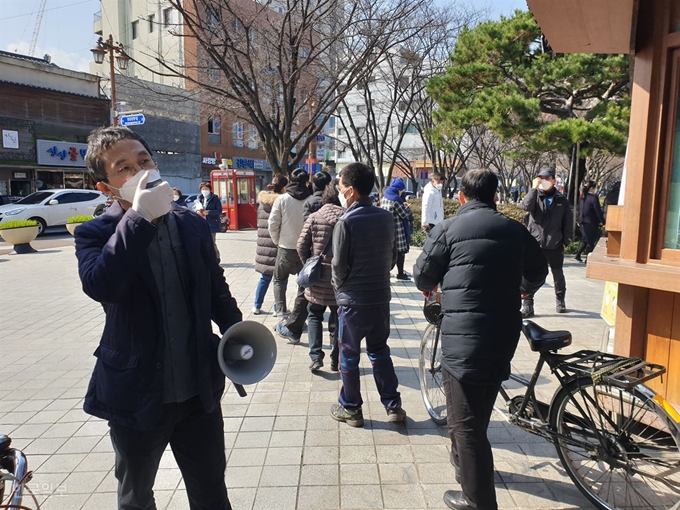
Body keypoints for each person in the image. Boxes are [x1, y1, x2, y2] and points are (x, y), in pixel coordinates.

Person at [74, 126, 242, 510]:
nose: (141, 172)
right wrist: (139, 220)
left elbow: (215, 285)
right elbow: (102, 286)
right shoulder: (94, 234)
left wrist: (237, 330)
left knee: (211, 491)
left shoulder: (192, 223)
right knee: (136, 498)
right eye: (125, 168)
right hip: (136, 394)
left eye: (144, 161)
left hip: (198, 389)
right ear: (106, 187)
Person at [414, 169, 548, 510]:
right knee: (477, 411)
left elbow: (422, 275)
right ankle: (465, 471)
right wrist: (522, 290)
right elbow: (538, 270)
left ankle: (478, 501)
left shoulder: (448, 229)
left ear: (461, 197)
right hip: (503, 333)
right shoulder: (514, 229)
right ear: (494, 196)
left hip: (463, 338)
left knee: (466, 427)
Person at [331, 162, 406, 427]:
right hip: (380, 298)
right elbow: (393, 257)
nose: (339, 191)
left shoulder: (346, 221)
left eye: (340, 187)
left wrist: (340, 287)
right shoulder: (385, 217)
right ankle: (393, 405)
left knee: (349, 355)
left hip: (353, 301)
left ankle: (351, 407)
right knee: (380, 351)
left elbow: (338, 266)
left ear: (350, 191)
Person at [297, 179, 344, 372]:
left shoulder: (314, 217)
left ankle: (316, 356)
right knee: (338, 316)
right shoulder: (346, 217)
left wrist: (309, 262)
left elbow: (301, 245)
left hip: (317, 277)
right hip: (339, 278)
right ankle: (336, 359)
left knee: (314, 314)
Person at [519, 168, 573, 316]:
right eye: (540, 178)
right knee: (529, 273)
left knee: (557, 273)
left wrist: (566, 241)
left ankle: (560, 299)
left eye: (546, 178)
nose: (543, 181)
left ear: (553, 181)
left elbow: (568, 222)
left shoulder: (561, 200)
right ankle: (528, 305)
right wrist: (533, 188)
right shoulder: (535, 196)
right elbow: (525, 206)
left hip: (555, 243)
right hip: (534, 242)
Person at [268, 168, 311, 339]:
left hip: (285, 247)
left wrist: (278, 241)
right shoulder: (311, 199)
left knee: (279, 280)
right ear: (306, 181)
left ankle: (281, 315)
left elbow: (273, 223)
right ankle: (299, 317)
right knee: (304, 284)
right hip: (305, 249)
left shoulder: (283, 199)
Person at [253, 174, 288, 315]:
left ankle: (256, 305)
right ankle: (277, 308)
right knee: (280, 280)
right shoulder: (282, 202)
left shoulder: (262, 202)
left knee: (265, 277)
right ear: (284, 187)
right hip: (277, 244)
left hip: (263, 245)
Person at [381, 178, 415, 280]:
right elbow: (404, 214)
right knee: (400, 252)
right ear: (397, 189)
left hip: (387, 229)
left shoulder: (385, 197)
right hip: (398, 230)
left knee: (389, 253)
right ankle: (400, 273)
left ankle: (385, 273)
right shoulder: (395, 200)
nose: (401, 193)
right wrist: (407, 207)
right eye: (401, 190)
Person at [574, 180, 605, 262]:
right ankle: (588, 259)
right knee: (590, 241)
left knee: (586, 239)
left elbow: (579, 209)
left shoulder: (582, 197)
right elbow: (598, 210)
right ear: (592, 188)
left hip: (582, 221)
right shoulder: (593, 197)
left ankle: (578, 255)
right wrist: (603, 221)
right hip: (591, 221)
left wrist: (578, 219)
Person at [197, 182, 222, 262]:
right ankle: (206, 258)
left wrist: (209, 212)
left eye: (206, 189)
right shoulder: (199, 198)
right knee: (202, 241)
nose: (204, 191)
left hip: (211, 223)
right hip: (201, 222)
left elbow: (219, 210)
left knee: (211, 241)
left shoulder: (214, 198)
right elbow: (196, 208)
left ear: (210, 189)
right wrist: (198, 212)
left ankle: (216, 257)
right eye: (203, 189)